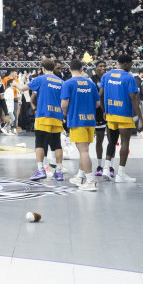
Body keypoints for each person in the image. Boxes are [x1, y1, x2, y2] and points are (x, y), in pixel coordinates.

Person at [101, 54, 143, 183]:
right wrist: (141, 119)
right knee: (125, 143)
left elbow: (101, 95)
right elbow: (133, 98)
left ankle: (106, 169)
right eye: (131, 64)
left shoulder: (106, 76)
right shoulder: (129, 78)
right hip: (124, 114)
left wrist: (105, 111)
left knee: (111, 141)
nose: (131, 66)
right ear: (126, 63)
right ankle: (121, 174)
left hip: (110, 114)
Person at [59, 60, 100, 192]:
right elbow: (98, 104)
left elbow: (64, 104)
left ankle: (90, 181)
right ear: (82, 69)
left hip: (77, 120)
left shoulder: (68, 83)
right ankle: (80, 176)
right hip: (90, 120)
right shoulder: (91, 83)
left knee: (83, 151)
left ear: (70, 69)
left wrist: (65, 114)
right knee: (85, 150)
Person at [28, 59, 66, 182]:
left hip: (43, 115)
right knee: (56, 144)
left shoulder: (40, 79)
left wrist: (15, 84)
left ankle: (40, 170)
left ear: (43, 68)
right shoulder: (61, 82)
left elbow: (24, 88)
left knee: (39, 143)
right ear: (54, 67)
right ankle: (59, 172)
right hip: (57, 116)